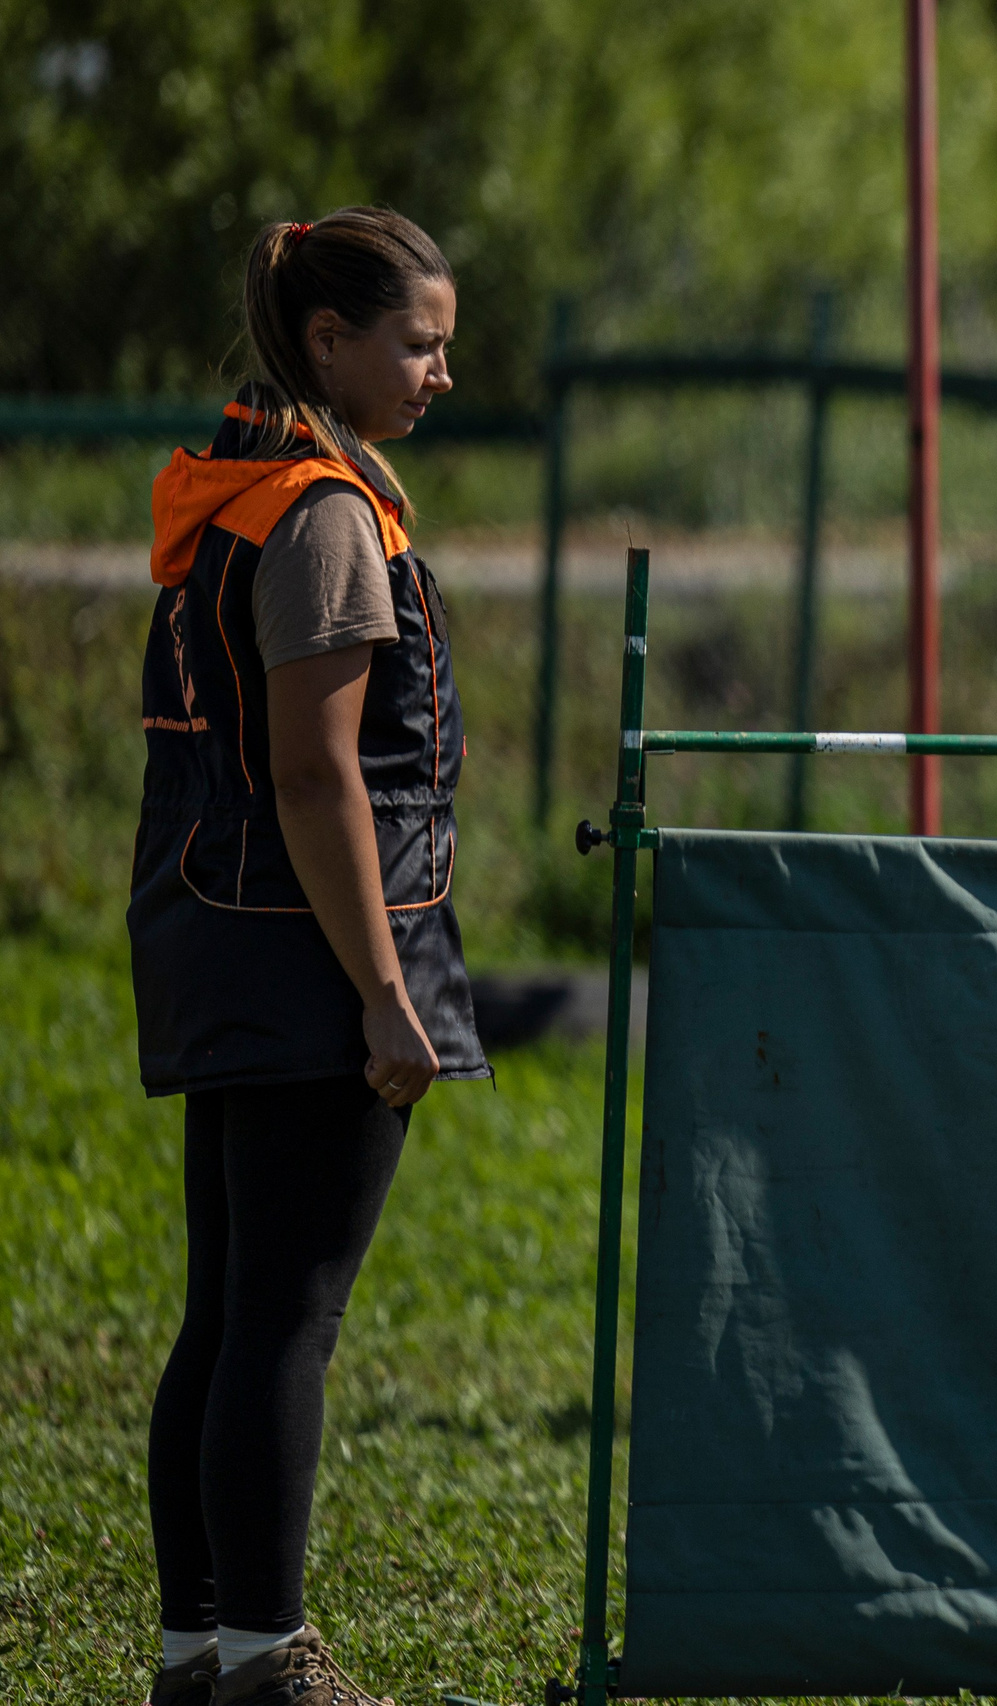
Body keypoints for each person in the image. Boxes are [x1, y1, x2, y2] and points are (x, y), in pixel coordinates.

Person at [131, 206, 487, 1706]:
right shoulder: (325, 518)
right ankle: (270, 1661)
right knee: (284, 1320)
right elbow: (314, 772)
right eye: (418, 344)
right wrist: (387, 997)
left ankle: (200, 1656)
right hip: (310, 962)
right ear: (328, 342)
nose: (441, 374)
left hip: (219, 938)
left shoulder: (240, 491)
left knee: (228, 1313)